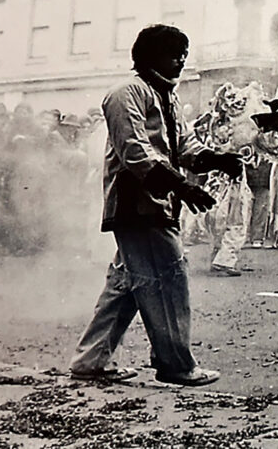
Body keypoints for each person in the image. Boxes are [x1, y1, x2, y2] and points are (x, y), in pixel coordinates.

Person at [69, 24, 242, 387]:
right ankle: (176, 364)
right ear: (149, 56)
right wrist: (184, 188)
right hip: (138, 207)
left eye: (184, 53)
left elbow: (186, 149)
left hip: (156, 205)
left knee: (126, 285)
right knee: (168, 280)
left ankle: (91, 360)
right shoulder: (126, 93)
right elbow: (136, 153)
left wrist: (219, 159)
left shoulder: (166, 96)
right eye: (173, 53)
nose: (181, 60)